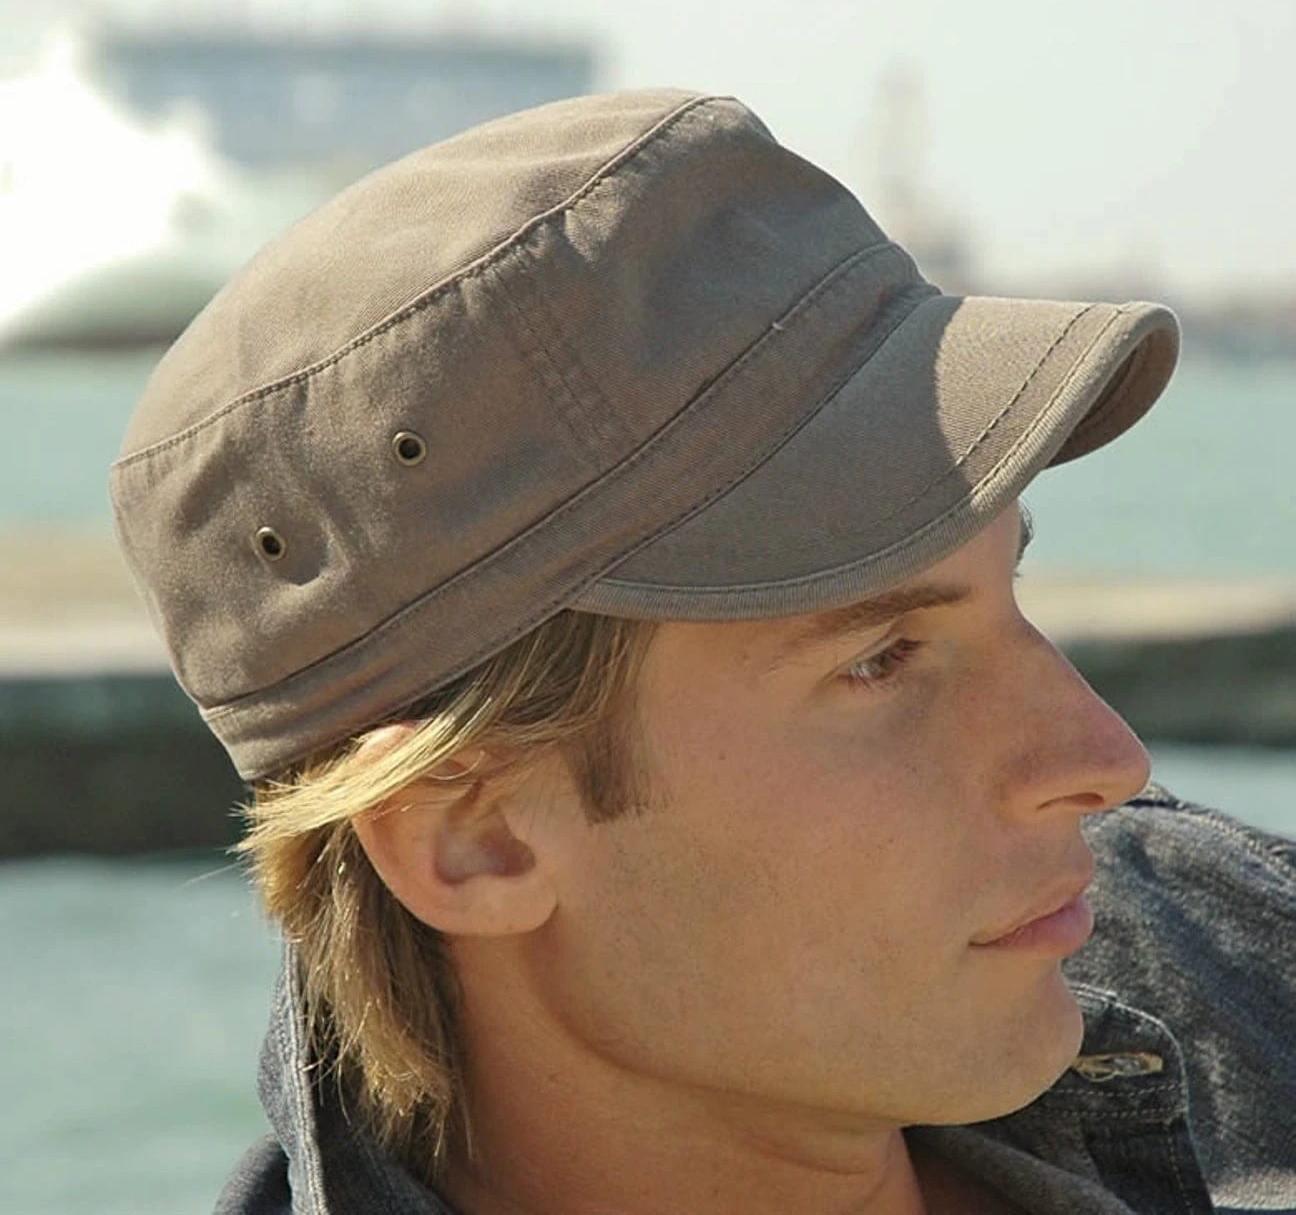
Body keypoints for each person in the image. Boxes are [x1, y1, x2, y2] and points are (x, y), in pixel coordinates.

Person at [109, 90, 1295, 1215]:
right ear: (472, 835)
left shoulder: (1227, 942)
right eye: (881, 658)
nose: (1105, 760)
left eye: (1009, 588)